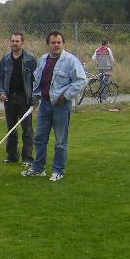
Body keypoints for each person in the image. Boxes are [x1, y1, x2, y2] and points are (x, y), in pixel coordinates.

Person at [22, 31, 87, 182]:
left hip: (61, 106)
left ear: (63, 44)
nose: (56, 45)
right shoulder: (43, 60)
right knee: (40, 139)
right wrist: (36, 97)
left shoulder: (71, 61)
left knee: (60, 141)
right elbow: (37, 80)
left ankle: (59, 170)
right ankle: (39, 169)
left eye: (59, 42)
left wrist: (66, 96)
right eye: (53, 42)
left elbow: (81, 80)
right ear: (48, 44)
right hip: (45, 105)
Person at [0, 32, 37, 166]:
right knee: (11, 129)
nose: (14, 43)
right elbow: (0, 78)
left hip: (24, 98)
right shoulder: (5, 59)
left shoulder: (31, 59)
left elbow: (36, 80)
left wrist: (34, 98)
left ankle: (27, 158)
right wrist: (1, 92)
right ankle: (12, 156)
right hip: (9, 98)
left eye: (17, 41)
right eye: (12, 41)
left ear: (22, 43)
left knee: (27, 129)